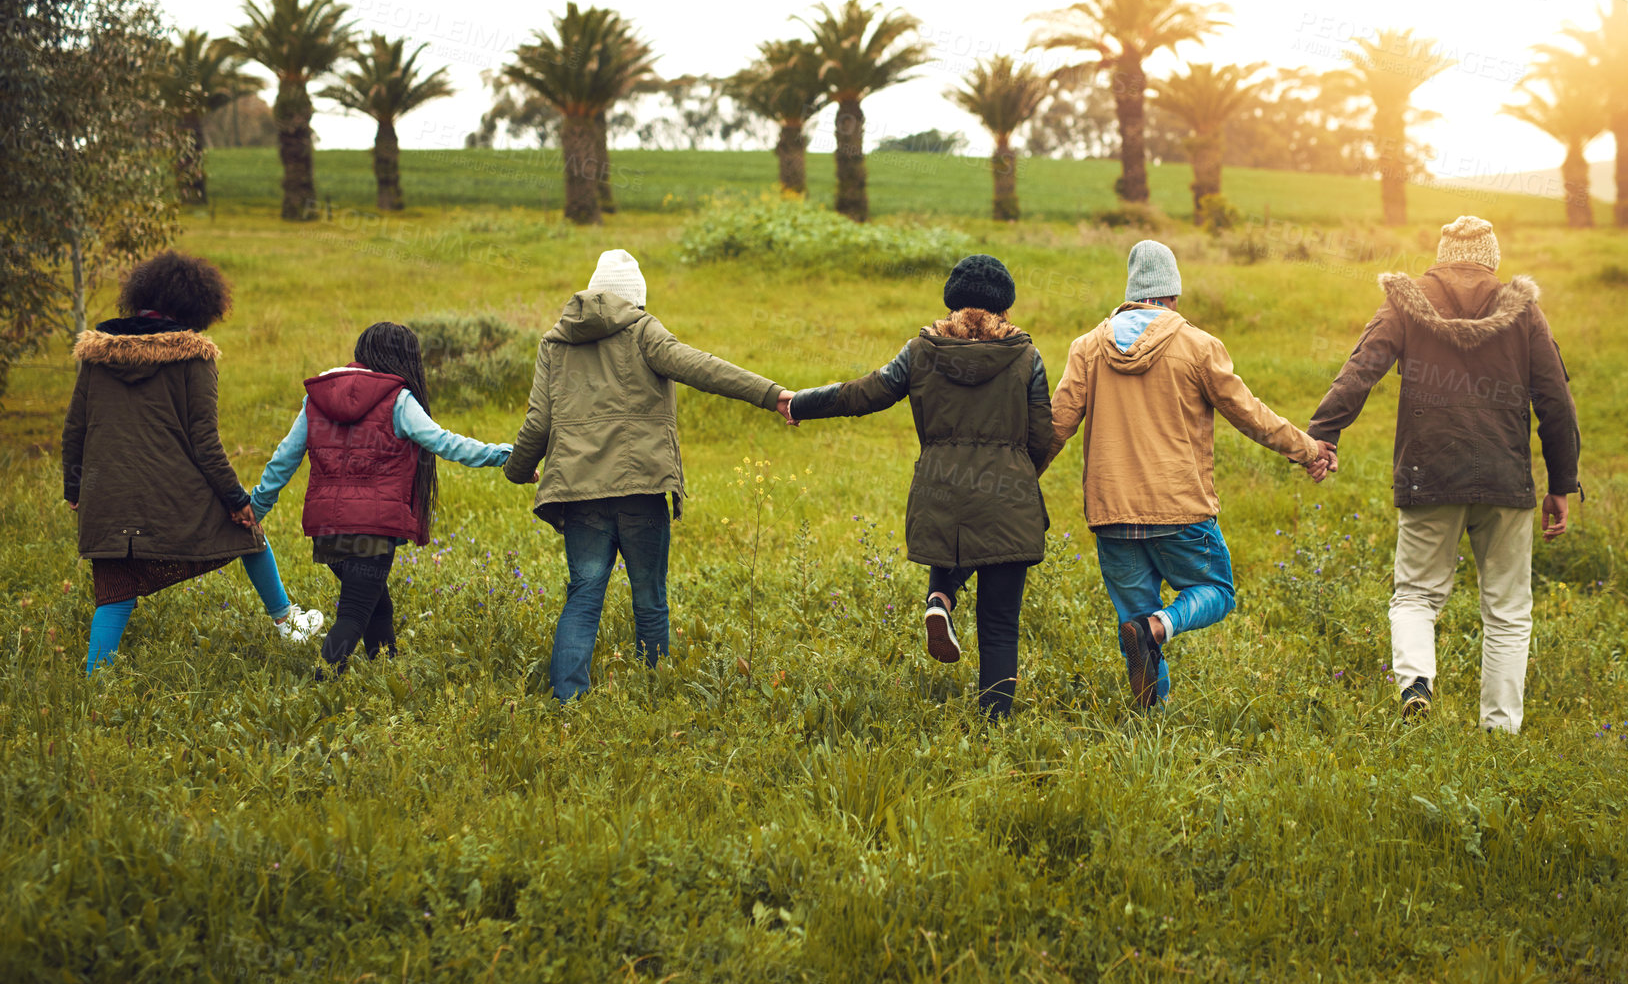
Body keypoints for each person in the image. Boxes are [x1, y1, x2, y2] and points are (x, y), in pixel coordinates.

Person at [1308, 216, 1579, 732]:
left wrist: (1323, 432)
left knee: (1415, 594)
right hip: (1505, 478)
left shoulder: (1407, 303)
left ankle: (1415, 684)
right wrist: (1562, 484)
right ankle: (1499, 730)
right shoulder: (1523, 311)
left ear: (1441, 257)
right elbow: (1557, 401)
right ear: (1491, 260)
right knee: (1506, 610)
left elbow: (1362, 367)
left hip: (1426, 472)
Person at [1044, 240, 1333, 709]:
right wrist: (1307, 449)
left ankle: (1149, 717)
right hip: (1180, 509)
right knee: (1216, 592)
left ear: (1132, 293)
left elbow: (1054, 428)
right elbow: (1249, 413)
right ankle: (1160, 627)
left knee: (1133, 617)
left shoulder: (1086, 349)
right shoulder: (1197, 346)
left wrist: (1018, 481)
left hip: (1111, 513)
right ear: (1172, 295)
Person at [503, 250, 793, 701]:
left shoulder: (555, 343)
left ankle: (566, 700)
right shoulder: (643, 331)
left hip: (580, 495)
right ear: (634, 299)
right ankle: (653, 697)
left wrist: (517, 469)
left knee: (583, 595)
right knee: (650, 598)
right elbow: (703, 368)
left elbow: (538, 422)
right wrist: (772, 395)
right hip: (642, 488)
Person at [785, 254, 1051, 720]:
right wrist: (1018, 476)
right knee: (999, 624)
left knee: (953, 547)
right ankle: (996, 724)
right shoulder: (1026, 357)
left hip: (940, 493)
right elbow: (1042, 436)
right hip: (1009, 497)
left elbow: (862, 394)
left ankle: (939, 599)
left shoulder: (920, 351)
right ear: (1004, 306)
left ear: (951, 303)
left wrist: (802, 402)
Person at [62, 251, 324, 675]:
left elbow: (74, 430)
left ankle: (96, 679)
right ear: (198, 303)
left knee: (115, 589)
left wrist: (73, 490)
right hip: (170, 497)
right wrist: (236, 499)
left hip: (106, 497)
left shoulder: (97, 356)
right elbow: (205, 442)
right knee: (247, 530)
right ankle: (287, 621)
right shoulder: (194, 356)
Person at [250, 321, 512, 674]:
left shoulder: (317, 397)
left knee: (377, 604)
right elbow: (445, 443)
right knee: (354, 614)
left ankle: (386, 671)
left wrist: (256, 507)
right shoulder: (397, 400)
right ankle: (321, 682)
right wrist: (503, 454)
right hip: (371, 530)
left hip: (326, 530)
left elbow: (284, 458)